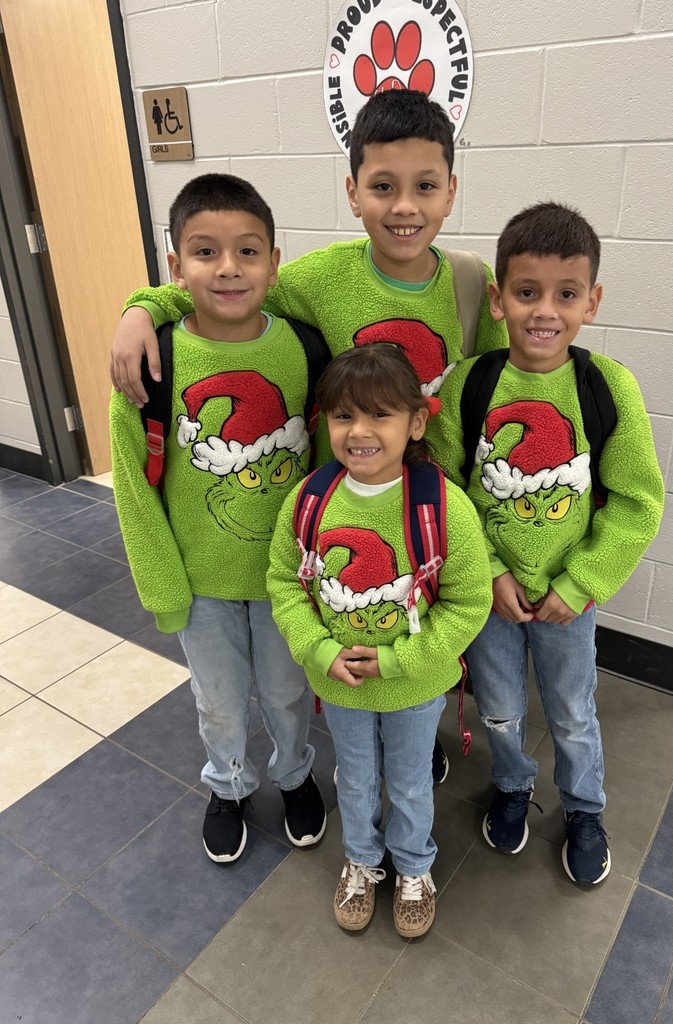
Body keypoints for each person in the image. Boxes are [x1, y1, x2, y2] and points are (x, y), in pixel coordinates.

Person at [109, 87, 508, 784]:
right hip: (340, 510)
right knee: (345, 636)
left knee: (424, 631)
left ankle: (415, 724)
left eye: (424, 186)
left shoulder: (473, 285)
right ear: (353, 193)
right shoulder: (320, 280)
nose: (404, 207)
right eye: (383, 186)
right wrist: (143, 307)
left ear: (450, 192)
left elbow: (493, 400)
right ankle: (271, 772)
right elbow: (229, 289)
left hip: (431, 515)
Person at [429, 202, 665, 885]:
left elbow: (637, 501)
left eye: (566, 295)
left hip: (569, 600)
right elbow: (445, 488)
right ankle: (511, 786)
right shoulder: (472, 384)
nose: (545, 311)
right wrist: (492, 569)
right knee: (499, 707)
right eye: (527, 293)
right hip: (491, 597)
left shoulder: (607, 388)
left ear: (591, 302)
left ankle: (585, 807)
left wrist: (582, 581)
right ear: (498, 299)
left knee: (572, 712)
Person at [110, 173, 326, 865]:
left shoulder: (305, 347)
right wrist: (163, 588)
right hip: (200, 581)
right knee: (219, 702)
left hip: (287, 580)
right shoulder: (153, 359)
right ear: (176, 266)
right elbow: (134, 492)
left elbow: (328, 471)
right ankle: (229, 784)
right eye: (205, 252)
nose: (228, 268)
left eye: (248, 251)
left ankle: (294, 775)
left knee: (289, 695)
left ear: (275, 260)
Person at [267, 344, 492, 937]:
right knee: (357, 776)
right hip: (339, 684)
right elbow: (284, 581)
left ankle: (414, 867)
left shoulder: (443, 507)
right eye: (343, 416)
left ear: (416, 423)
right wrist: (319, 650)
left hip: (414, 686)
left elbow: (469, 602)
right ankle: (362, 861)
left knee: (413, 779)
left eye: (379, 416)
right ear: (326, 423)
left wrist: (400, 660)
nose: (359, 432)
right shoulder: (310, 501)